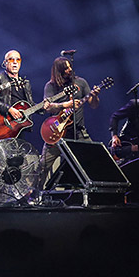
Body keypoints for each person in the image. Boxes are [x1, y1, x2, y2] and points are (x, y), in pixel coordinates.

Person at [40, 56, 102, 184]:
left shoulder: (81, 83)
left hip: (78, 132)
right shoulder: (51, 86)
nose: (69, 69)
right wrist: (65, 105)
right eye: (66, 68)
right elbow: (48, 108)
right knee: (43, 166)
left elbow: (93, 105)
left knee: (94, 158)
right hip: (57, 133)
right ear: (59, 71)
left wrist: (95, 96)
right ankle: (34, 195)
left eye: (70, 67)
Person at [0, 50, 35, 138]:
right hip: (3, 123)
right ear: (5, 63)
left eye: (18, 60)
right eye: (11, 60)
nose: (15, 63)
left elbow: (30, 104)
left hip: (19, 125)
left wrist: (44, 107)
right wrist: (9, 109)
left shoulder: (25, 83)